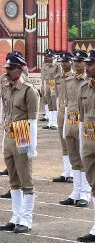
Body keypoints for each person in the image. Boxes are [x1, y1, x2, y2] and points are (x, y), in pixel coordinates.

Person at [0, 53, 39, 234]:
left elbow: (33, 120)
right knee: (13, 180)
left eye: (12, 68)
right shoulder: (6, 88)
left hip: (23, 137)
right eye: (7, 67)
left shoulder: (29, 91)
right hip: (9, 137)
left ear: (20, 69)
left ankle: (26, 219)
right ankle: (16, 216)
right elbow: (6, 113)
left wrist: (32, 146)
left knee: (26, 181)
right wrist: (3, 139)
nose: (8, 71)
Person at [59, 51, 90, 207]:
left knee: (85, 159)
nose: (77, 63)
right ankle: (76, 192)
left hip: (84, 123)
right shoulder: (68, 80)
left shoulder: (89, 82)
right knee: (74, 159)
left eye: (80, 61)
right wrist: (65, 125)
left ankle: (85, 193)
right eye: (75, 61)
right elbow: (66, 104)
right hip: (70, 122)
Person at [76, 51, 95, 242]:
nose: (86, 67)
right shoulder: (83, 87)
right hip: (89, 142)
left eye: (91, 64)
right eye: (87, 64)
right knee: (94, 184)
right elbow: (82, 119)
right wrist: (83, 144)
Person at [53, 52, 74, 182]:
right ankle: (66, 171)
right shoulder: (58, 77)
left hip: (72, 112)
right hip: (61, 111)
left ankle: (73, 171)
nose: (64, 63)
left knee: (73, 143)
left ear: (71, 62)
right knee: (63, 142)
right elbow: (57, 95)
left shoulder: (75, 77)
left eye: (66, 61)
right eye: (62, 61)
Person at [40, 51, 61, 129]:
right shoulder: (45, 66)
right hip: (47, 84)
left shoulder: (57, 66)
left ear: (54, 58)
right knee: (49, 103)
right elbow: (44, 76)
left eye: (50, 57)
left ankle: (55, 122)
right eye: (47, 57)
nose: (48, 59)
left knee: (55, 103)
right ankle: (50, 122)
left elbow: (59, 75)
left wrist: (53, 85)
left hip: (54, 85)